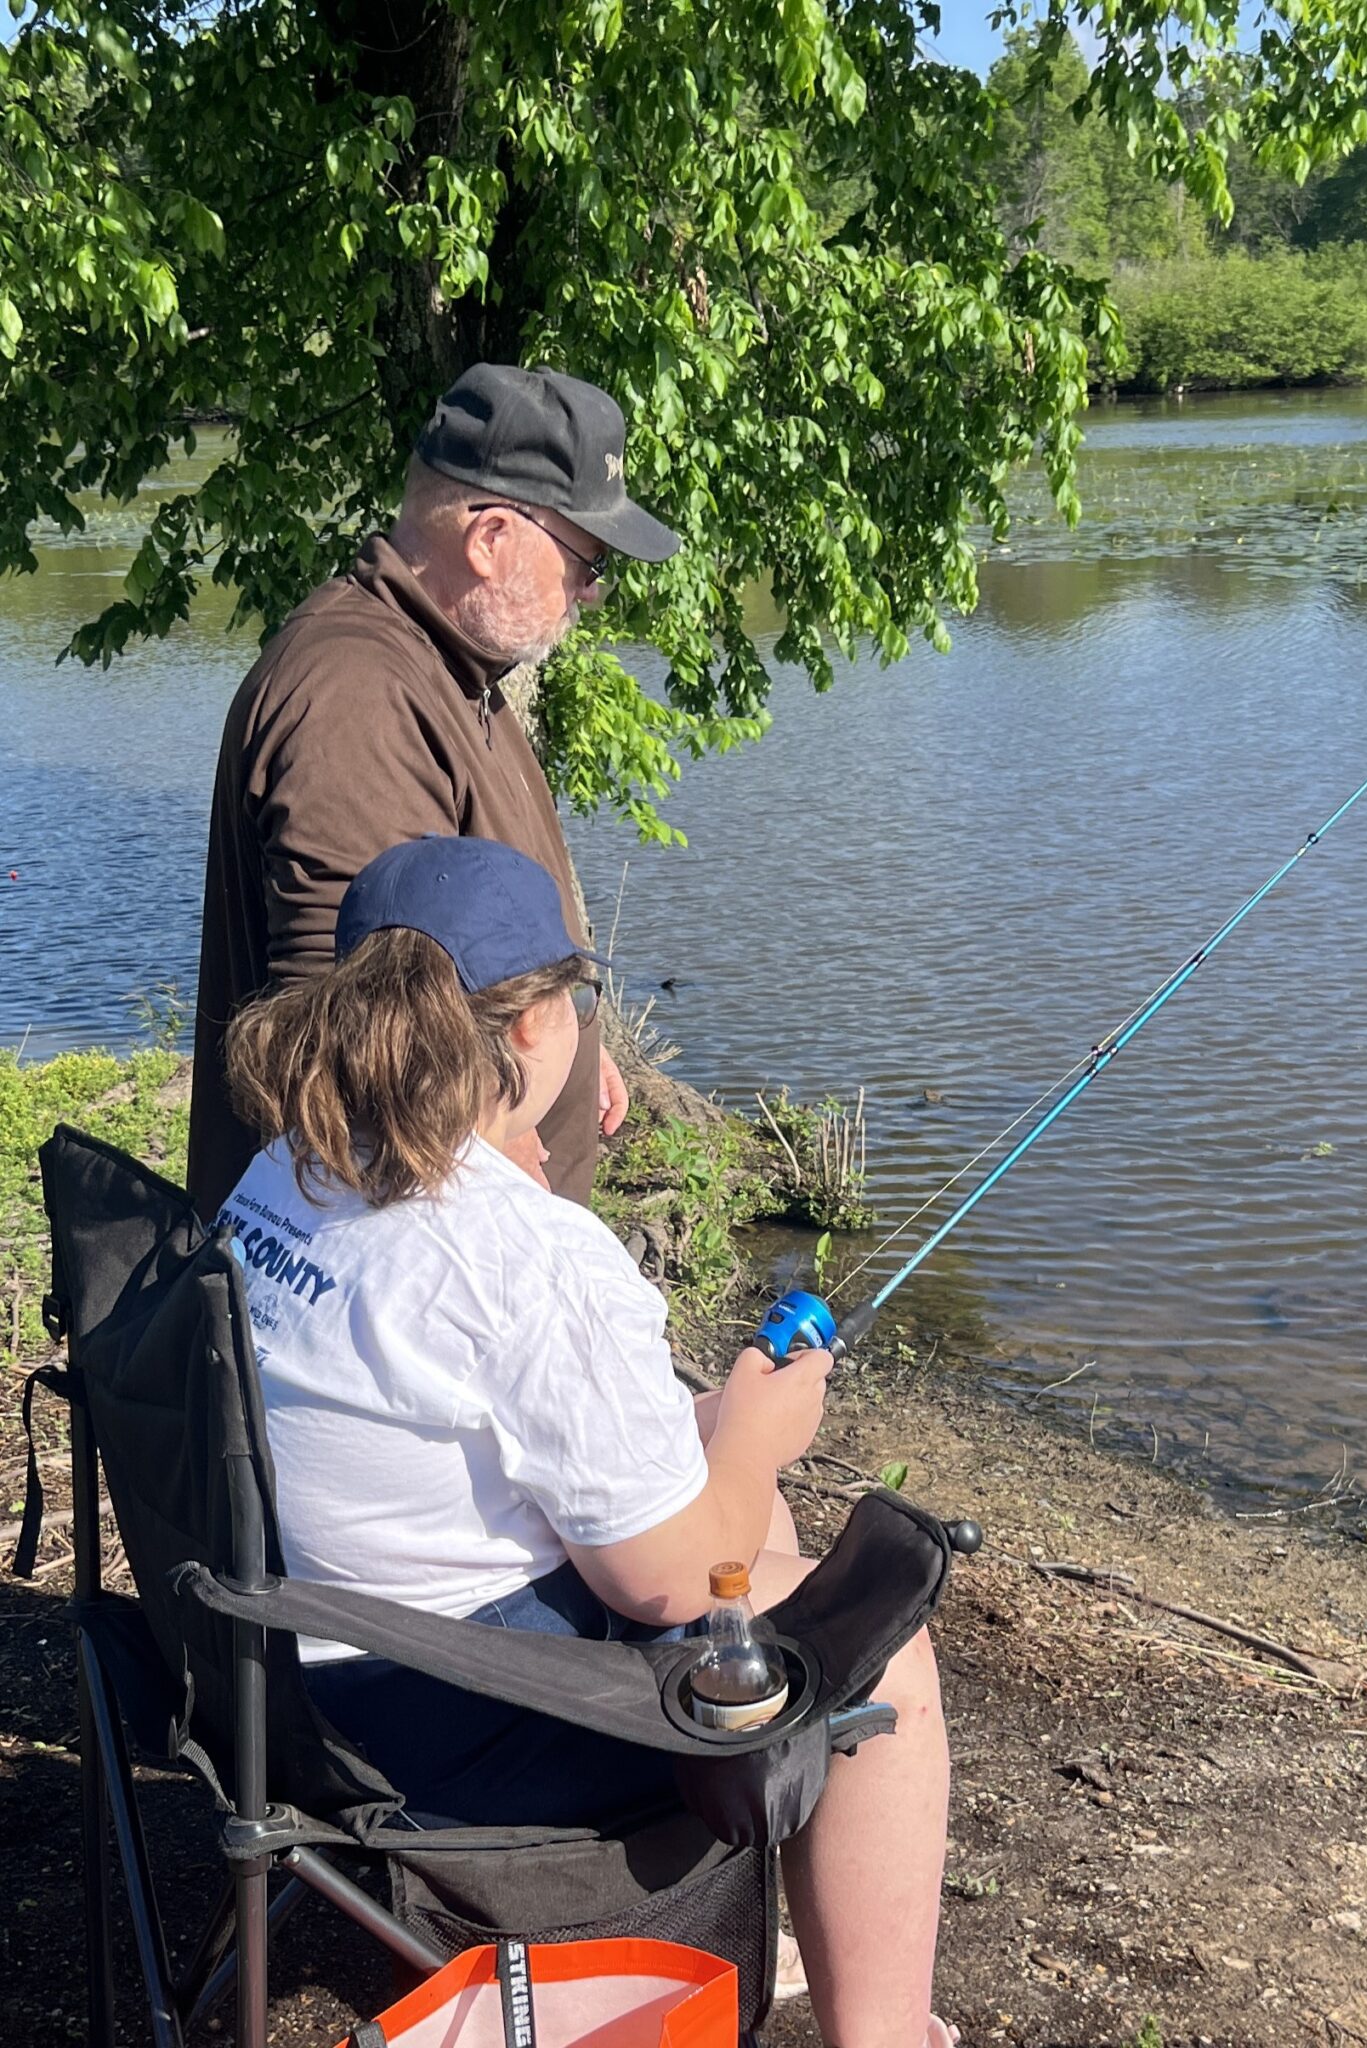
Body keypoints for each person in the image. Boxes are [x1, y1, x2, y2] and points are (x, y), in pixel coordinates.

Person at [217, 835, 955, 2048]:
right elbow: (663, 1577)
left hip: (281, 1677)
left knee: (743, 1518)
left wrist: (716, 1431)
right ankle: (883, 2033)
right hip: (448, 1731)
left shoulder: (288, 1171)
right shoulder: (530, 1253)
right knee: (885, 1646)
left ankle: (761, 1841)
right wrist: (762, 1431)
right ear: (531, 1032)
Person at [187, 361, 679, 1223]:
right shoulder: (358, 697)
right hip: (391, 1288)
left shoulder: (455, 665)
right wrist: (483, 1147)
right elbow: (357, 1054)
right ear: (491, 538)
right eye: (586, 561)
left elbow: (475, 937)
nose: (592, 594)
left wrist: (569, 1032)